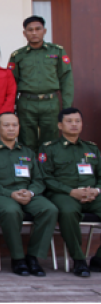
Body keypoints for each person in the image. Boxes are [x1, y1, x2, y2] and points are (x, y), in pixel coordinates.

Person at [0, 112, 58, 277]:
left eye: (14, 125)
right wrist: (10, 193)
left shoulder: (28, 152)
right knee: (11, 211)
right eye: (6, 125)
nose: (11, 129)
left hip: (28, 194)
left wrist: (30, 192)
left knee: (49, 209)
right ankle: (17, 259)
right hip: (1, 196)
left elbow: (39, 179)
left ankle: (33, 257)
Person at [39, 108, 101, 277]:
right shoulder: (49, 149)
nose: (74, 125)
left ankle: (98, 259)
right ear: (60, 125)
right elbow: (46, 178)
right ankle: (79, 260)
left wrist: (96, 190)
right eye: (69, 121)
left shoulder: (92, 149)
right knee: (67, 212)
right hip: (63, 194)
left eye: (77, 121)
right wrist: (70, 191)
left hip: (92, 194)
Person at [9, 15, 74, 151]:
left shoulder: (57, 51)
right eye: (30, 30)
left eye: (38, 29)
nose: (34, 32)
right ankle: (29, 170)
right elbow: (11, 83)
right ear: (24, 33)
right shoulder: (18, 55)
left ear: (44, 31)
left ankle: (48, 171)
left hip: (50, 102)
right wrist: (11, 108)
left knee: (51, 141)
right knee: (26, 141)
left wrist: (67, 108)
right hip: (26, 103)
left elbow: (66, 79)